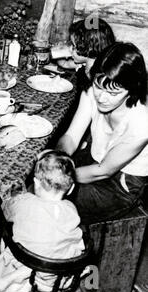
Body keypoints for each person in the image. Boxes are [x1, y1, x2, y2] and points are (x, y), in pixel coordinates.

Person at [56, 42, 148, 224]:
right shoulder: (91, 93)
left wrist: (59, 177)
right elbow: (71, 137)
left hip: (121, 183)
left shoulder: (142, 125)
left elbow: (104, 171)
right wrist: (57, 158)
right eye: (99, 87)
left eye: (114, 93)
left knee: (57, 202)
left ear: (131, 90)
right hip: (94, 159)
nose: (102, 98)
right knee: (36, 181)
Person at [0, 150, 85, 292]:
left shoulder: (25, 202)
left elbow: (6, 209)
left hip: (30, 274)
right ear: (71, 188)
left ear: (35, 182)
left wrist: (13, 199)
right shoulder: (70, 208)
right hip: (61, 275)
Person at [57, 18, 116, 95]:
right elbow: (64, 64)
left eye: (73, 46)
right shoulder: (83, 64)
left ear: (89, 48)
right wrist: (57, 52)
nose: (70, 49)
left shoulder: (98, 76)